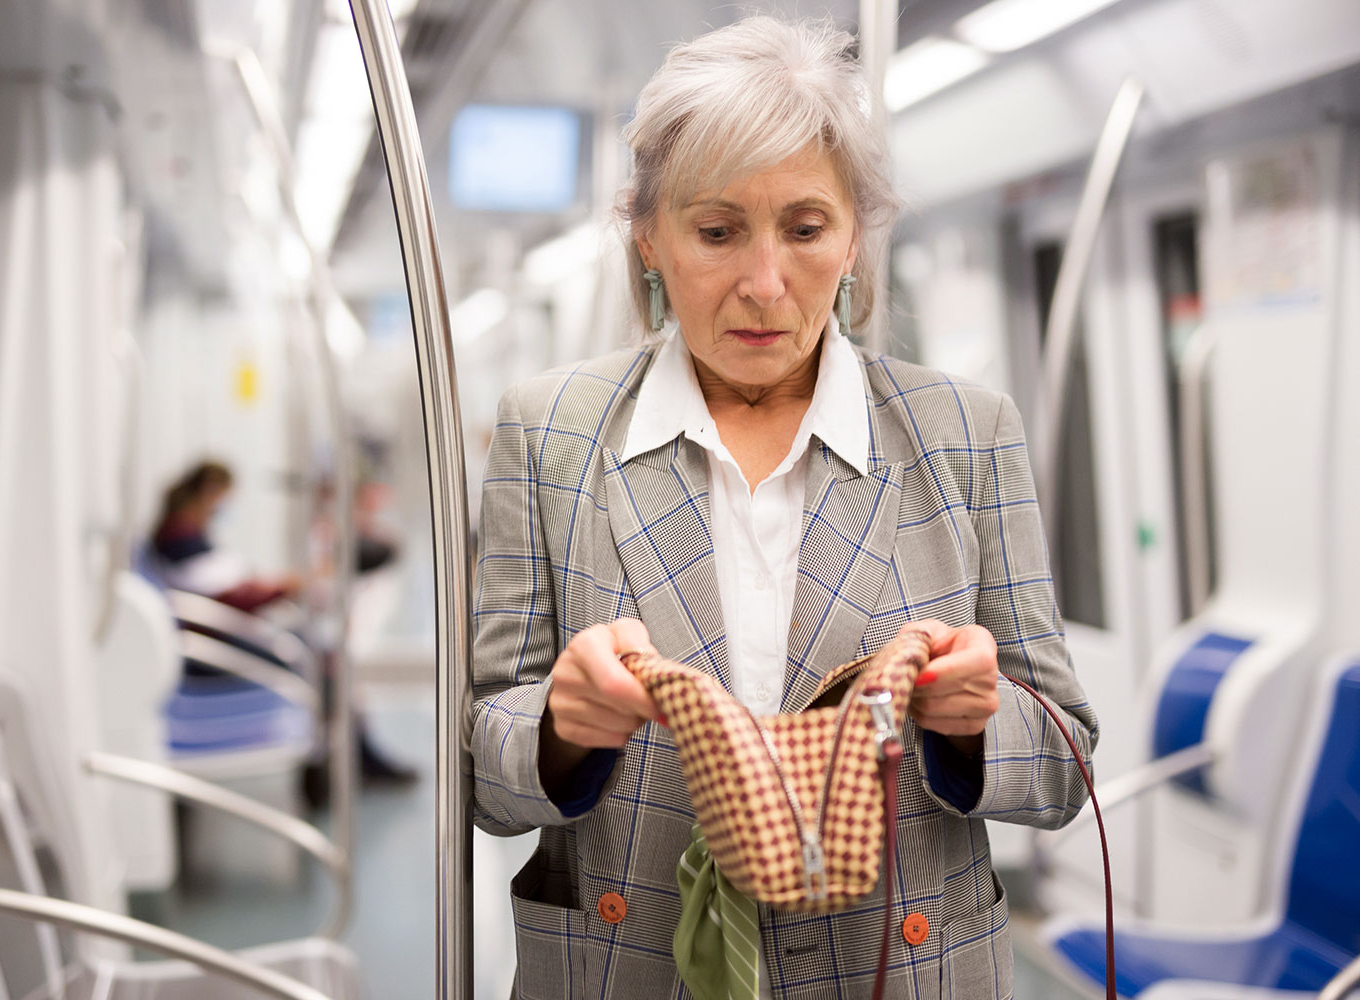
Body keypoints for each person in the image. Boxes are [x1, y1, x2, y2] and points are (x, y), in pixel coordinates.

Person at [470, 17, 1097, 999]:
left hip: (898, 964)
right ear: (648, 233)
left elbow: (1065, 759)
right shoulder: (550, 434)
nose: (765, 285)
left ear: (853, 234)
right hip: (631, 964)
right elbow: (482, 762)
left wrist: (976, 721)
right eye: (717, 232)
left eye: (806, 229)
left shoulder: (965, 435)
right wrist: (557, 725)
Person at [149, 460, 303, 612]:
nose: (223, 506)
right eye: (224, 497)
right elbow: (220, 593)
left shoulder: (189, 534)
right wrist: (276, 590)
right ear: (210, 491)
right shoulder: (178, 539)